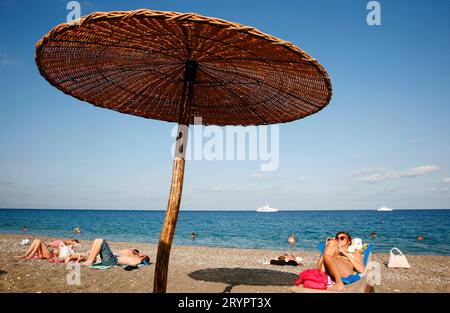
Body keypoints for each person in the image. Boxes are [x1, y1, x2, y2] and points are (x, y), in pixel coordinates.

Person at [80, 239, 149, 267]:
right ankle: (90, 259)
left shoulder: (136, 259)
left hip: (112, 261)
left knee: (101, 240)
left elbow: (143, 259)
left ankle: (90, 260)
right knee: (97, 240)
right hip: (111, 259)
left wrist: (142, 256)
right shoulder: (132, 257)